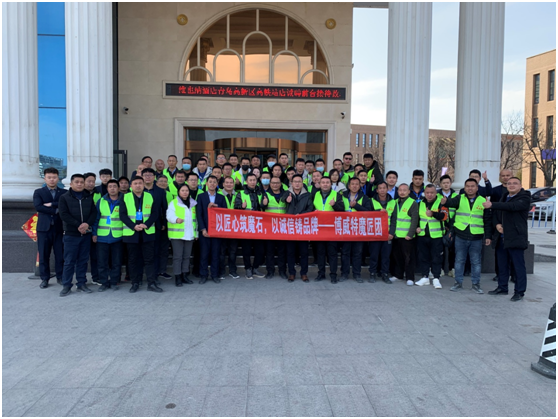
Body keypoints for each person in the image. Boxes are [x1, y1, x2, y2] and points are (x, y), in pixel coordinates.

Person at [441, 178, 492, 294]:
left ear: (477, 188)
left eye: (472, 186)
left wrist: (488, 236)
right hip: (461, 235)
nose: (470, 188)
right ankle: (458, 283)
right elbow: (450, 203)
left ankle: (476, 284)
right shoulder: (460, 198)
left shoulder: (483, 200)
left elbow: (487, 220)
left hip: (476, 236)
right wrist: (445, 202)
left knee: (476, 262)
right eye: (468, 186)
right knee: (459, 260)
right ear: (464, 188)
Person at [485, 177, 530, 301]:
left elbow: (512, 206)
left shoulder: (524, 197)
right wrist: (497, 224)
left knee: (518, 266)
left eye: (515, 183)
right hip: (501, 238)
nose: (511, 185)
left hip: (515, 237)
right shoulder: (504, 197)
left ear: (520, 185)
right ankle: (502, 287)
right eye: (509, 183)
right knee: (502, 265)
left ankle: (519, 291)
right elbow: (496, 213)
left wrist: (492, 204)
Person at [120, 176, 162, 293]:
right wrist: (133, 226)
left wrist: (146, 224)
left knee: (149, 259)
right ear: (131, 186)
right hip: (131, 233)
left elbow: (155, 213)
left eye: (140, 183)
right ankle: (135, 282)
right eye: (135, 183)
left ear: (143, 185)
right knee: (133, 259)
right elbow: (122, 215)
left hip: (147, 232)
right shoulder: (125, 197)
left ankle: (151, 283)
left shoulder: (150, 196)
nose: (138, 185)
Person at [58, 174, 97, 296]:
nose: (79, 184)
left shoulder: (88, 197)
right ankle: (66, 285)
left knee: (83, 260)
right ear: (71, 184)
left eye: (81, 182)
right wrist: (78, 225)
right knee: (69, 261)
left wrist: (86, 224)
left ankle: (81, 283)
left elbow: (93, 213)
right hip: (71, 234)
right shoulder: (64, 197)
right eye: (77, 182)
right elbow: (63, 214)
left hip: (85, 234)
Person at [33, 167, 67, 288]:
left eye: (54, 177)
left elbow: (64, 206)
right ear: (45, 179)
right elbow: (38, 207)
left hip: (59, 228)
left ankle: (60, 277)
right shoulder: (39, 192)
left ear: (58, 178)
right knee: (43, 255)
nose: (52, 180)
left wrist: (52, 204)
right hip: (43, 228)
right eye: (49, 177)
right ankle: (45, 279)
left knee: (60, 254)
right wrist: (56, 210)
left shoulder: (64, 192)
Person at [92, 179, 123, 291]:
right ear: (107, 188)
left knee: (116, 262)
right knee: (102, 262)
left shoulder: (124, 200)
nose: (112, 189)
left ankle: (114, 282)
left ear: (118, 188)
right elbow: (96, 218)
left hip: (118, 236)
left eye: (115, 186)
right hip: (102, 236)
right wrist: (94, 233)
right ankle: (104, 282)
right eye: (110, 187)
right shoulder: (101, 201)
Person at [313, 176, 345, 283]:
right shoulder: (316, 194)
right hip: (319, 229)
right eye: (323, 182)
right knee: (320, 253)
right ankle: (321, 273)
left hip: (332, 229)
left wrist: (334, 205)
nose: (325, 184)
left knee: (332, 253)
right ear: (320, 184)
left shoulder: (336, 195)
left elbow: (342, 210)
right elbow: (310, 208)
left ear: (331, 184)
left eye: (327, 182)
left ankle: (333, 274)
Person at [234, 173, 266, 279]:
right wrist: (241, 207)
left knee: (260, 249)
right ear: (246, 181)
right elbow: (235, 208)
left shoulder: (261, 193)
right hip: (246, 225)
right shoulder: (241, 193)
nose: (252, 182)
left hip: (259, 225)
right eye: (250, 180)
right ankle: (248, 268)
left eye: (254, 180)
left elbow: (264, 208)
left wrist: (264, 204)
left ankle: (255, 268)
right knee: (246, 249)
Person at [282, 174, 314, 282]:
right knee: (290, 252)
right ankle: (292, 273)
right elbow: (281, 201)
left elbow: (310, 208)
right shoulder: (286, 193)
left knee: (304, 252)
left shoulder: (307, 195)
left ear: (302, 183)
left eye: (299, 181)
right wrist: (287, 200)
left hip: (302, 226)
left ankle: (304, 273)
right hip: (290, 226)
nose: (297, 183)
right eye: (295, 181)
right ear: (291, 183)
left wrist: (301, 215)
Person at [341, 177, 372, 282]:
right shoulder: (342, 196)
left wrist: (356, 206)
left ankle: (357, 274)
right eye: (352, 184)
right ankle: (344, 273)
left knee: (357, 253)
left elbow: (369, 212)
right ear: (349, 186)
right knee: (345, 252)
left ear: (360, 186)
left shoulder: (365, 198)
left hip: (359, 229)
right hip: (345, 229)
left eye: (357, 184)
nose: (354, 186)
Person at [196, 175, 226, 283]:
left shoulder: (221, 197)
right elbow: (199, 214)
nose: (212, 184)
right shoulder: (201, 197)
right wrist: (203, 229)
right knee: (204, 254)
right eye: (210, 182)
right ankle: (203, 275)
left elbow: (225, 213)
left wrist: (217, 208)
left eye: (214, 182)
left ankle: (214, 275)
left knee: (215, 254)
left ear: (217, 184)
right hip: (205, 230)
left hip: (217, 230)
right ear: (206, 183)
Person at [415, 184, 446, 289]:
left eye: (432, 193)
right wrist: (417, 227)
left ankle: (436, 278)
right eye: (427, 193)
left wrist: (433, 214)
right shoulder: (420, 203)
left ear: (436, 193)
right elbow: (417, 217)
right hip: (423, 235)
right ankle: (425, 276)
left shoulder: (441, 202)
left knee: (436, 257)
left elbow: (445, 216)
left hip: (436, 235)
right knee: (423, 257)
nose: (429, 195)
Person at [143, 168, 171, 282]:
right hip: (142, 226)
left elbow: (164, 208)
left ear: (154, 177)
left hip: (158, 225)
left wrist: (164, 223)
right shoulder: (138, 190)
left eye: (150, 175)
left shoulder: (160, 191)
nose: (148, 177)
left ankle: (156, 274)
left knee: (158, 250)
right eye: (146, 175)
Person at [167, 184, 197, 287]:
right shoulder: (173, 203)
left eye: (186, 190)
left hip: (189, 234)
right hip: (177, 235)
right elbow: (169, 215)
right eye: (182, 190)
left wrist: (196, 233)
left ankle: (185, 275)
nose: (185, 192)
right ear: (179, 192)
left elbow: (195, 220)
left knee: (186, 257)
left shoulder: (193, 203)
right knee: (177, 257)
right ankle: (178, 277)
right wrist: (176, 219)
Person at [388, 183, 419, 286]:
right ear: (397, 191)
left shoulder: (412, 203)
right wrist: (392, 233)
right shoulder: (395, 202)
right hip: (397, 235)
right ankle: (398, 275)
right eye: (400, 190)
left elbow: (414, 220)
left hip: (407, 236)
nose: (402, 192)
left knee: (409, 258)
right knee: (397, 257)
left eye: (404, 190)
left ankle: (410, 277)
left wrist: (410, 234)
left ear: (409, 191)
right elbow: (394, 219)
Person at [369, 181, 395, 284]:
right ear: (377, 190)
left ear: (387, 189)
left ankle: (385, 274)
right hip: (375, 233)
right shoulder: (371, 201)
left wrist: (391, 233)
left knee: (386, 256)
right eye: (380, 188)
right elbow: (368, 215)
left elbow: (394, 219)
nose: (382, 190)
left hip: (387, 234)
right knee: (374, 255)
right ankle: (372, 273)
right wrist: (378, 212)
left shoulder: (393, 202)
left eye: (384, 188)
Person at [262, 176, 288, 279]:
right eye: (273, 183)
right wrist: (264, 204)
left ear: (280, 184)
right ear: (270, 184)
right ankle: (270, 271)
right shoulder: (265, 194)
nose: (275, 185)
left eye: (277, 183)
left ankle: (282, 271)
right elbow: (261, 208)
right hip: (270, 227)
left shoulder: (286, 194)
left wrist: (289, 201)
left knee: (282, 251)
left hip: (282, 227)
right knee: (270, 251)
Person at [218, 176, 239, 279]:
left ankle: (232, 270)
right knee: (221, 251)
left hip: (234, 227)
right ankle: (221, 271)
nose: (229, 184)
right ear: (223, 184)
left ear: (234, 184)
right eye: (227, 182)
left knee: (233, 251)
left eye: (231, 182)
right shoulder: (218, 195)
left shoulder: (238, 195)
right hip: (222, 227)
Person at [437, 174, 458, 277]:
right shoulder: (437, 195)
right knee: (440, 249)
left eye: (448, 183)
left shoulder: (456, 196)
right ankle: (440, 268)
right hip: (440, 225)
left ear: (451, 183)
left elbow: (459, 211)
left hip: (453, 226)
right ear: (440, 184)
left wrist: (451, 225)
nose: (446, 185)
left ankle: (451, 269)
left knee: (453, 249)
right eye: (444, 183)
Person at [84, 172, 100, 285]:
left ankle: (96, 277)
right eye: (88, 181)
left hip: (94, 228)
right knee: (82, 257)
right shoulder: (80, 195)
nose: (91, 184)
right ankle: (82, 280)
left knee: (95, 256)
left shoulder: (99, 193)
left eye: (93, 181)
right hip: (81, 230)